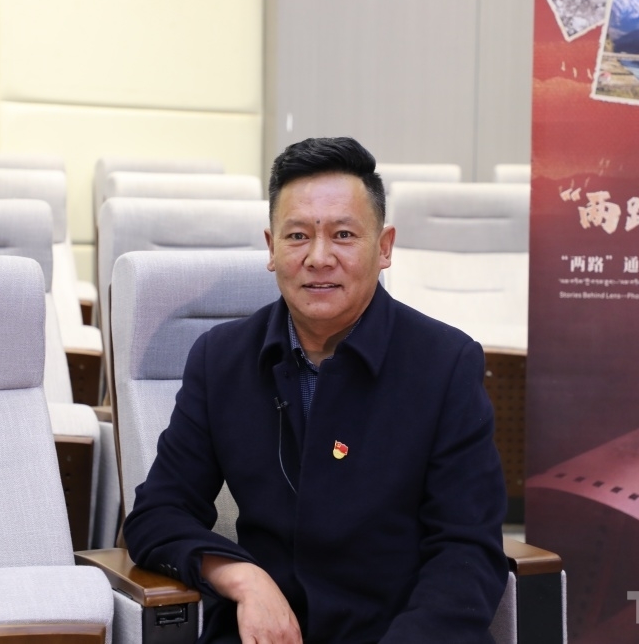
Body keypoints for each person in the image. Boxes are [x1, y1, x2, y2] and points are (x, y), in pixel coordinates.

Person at [123, 136, 508, 643]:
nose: (319, 257)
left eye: (343, 235)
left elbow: (466, 550)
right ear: (271, 248)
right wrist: (243, 578)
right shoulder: (222, 359)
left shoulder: (445, 363)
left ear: (384, 247)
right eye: (298, 236)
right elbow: (157, 514)